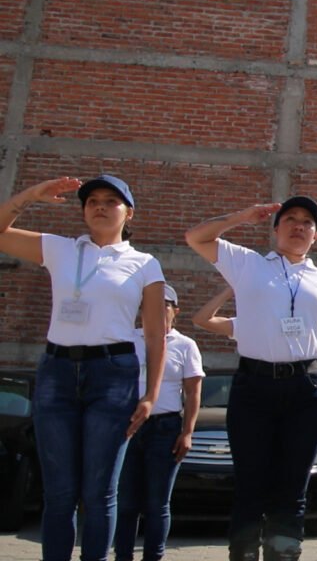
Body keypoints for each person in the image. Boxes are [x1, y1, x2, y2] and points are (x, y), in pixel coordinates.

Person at [0, 174, 167, 561]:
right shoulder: (61, 249)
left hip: (113, 375)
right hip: (57, 373)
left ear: (129, 213)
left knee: (99, 491)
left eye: (112, 201)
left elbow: (156, 335)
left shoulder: (144, 264)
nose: (100, 206)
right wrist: (32, 195)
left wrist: (151, 395)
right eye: (92, 200)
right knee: (59, 492)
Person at [185, 196, 317, 561]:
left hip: (307, 388)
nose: (299, 226)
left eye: (307, 222)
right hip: (254, 387)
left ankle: (283, 555)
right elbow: (196, 237)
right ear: (275, 229)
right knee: (250, 484)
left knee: (292, 487)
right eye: (291, 219)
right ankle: (242, 554)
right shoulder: (248, 265)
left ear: (316, 235)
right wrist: (242, 215)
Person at [114, 285, 205, 561]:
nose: (156, 311)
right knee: (126, 502)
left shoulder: (185, 345)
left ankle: (153, 556)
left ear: (175, 311)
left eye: (164, 306)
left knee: (157, 502)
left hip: (164, 429)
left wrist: (187, 432)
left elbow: (193, 392)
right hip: (128, 427)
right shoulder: (127, 339)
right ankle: (122, 555)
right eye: (149, 305)